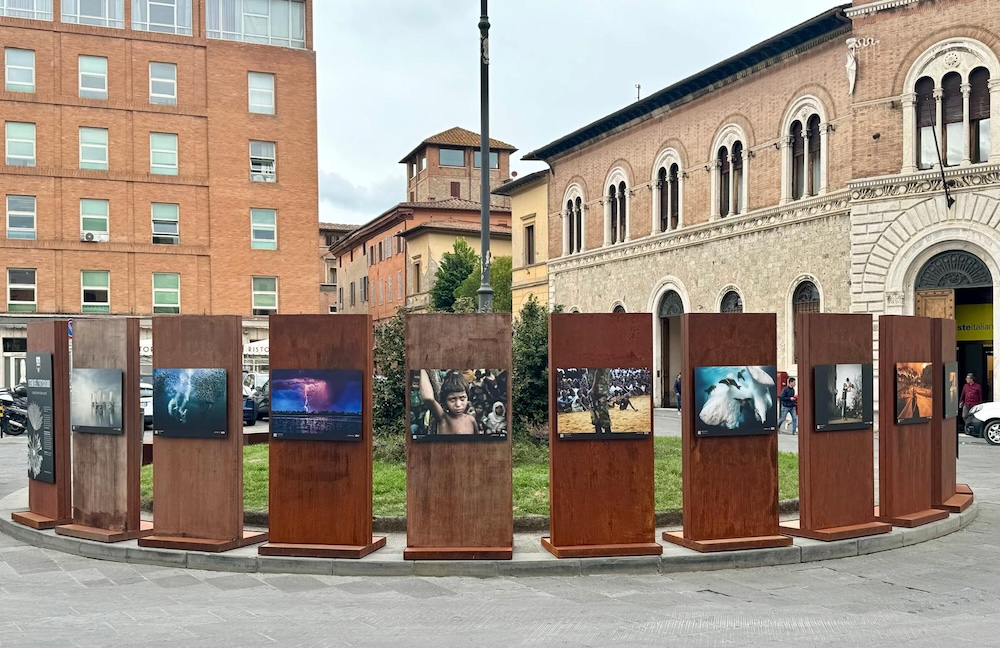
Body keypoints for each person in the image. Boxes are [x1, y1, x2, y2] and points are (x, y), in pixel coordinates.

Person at [418, 369, 479, 435]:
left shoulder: (471, 420)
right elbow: (428, 398)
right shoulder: (443, 418)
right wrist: (422, 368)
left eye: (462, 399)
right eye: (452, 399)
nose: (458, 404)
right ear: (445, 401)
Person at [588, 367, 612, 434]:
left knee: (602, 414)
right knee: (596, 415)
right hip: (598, 388)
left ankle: (607, 435)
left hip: (599, 388)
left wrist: (593, 388)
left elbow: (599, 370)